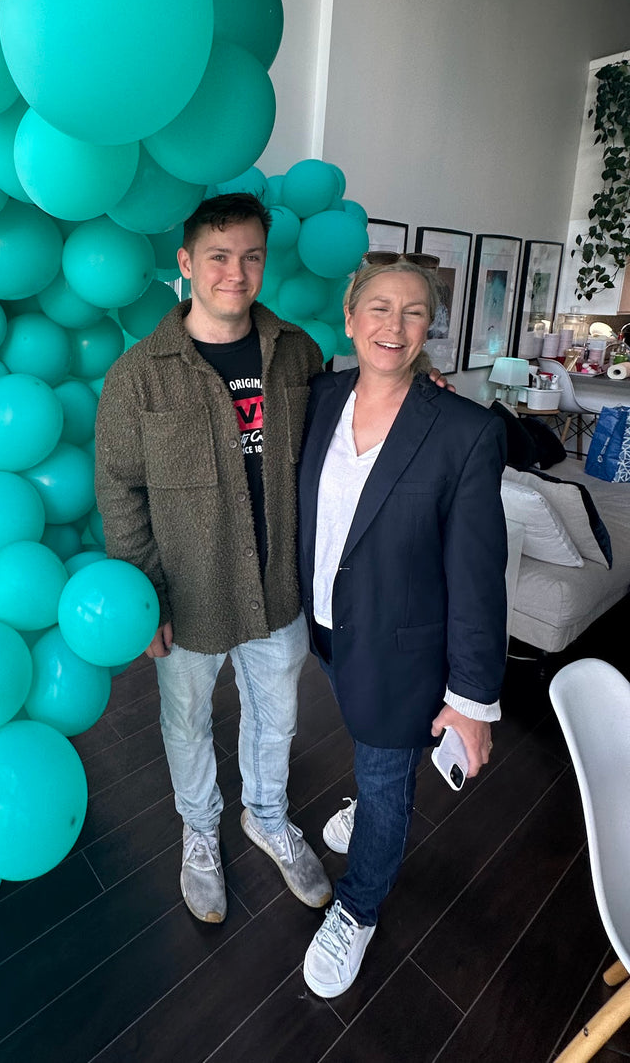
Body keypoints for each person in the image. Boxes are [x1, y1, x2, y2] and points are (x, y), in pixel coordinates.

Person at [94, 192, 332, 924]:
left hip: (276, 585)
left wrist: (417, 392)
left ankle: (266, 815)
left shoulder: (299, 352)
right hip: (188, 593)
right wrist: (146, 599)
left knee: (277, 717)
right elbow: (120, 489)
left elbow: (336, 445)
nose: (237, 271)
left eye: (251, 256)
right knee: (186, 722)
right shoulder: (139, 375)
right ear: (188, 263)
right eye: (220, 256)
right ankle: (201, 832)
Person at [296, 254, 508, 998]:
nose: (394, 324)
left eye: (414, 310)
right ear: (351, 319)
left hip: (405, 648)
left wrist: (474, 699)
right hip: (328, 629)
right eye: (379, 307)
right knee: (369, 736)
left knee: (385, 782)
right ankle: (375, 792)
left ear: (429, 329)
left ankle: (360, 906)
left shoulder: (466, 432)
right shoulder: (319, 398)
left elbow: (479, 577)